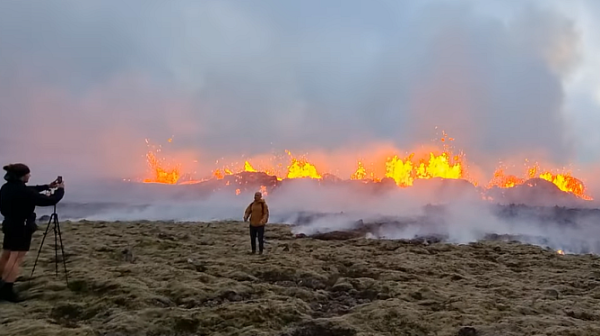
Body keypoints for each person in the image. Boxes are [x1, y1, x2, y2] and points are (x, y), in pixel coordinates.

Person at [0, 163, 65, 302]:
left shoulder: (6, 187)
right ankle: (7, 290)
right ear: (22, 176)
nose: (30, 176)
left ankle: (1, 281)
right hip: (21, 227)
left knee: (6, 253)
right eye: (28, 174)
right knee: (16, 257)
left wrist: (47, 186)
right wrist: (60, 190)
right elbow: (51, 200)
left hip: (9, 224)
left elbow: (30, 189)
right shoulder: (24, 192)